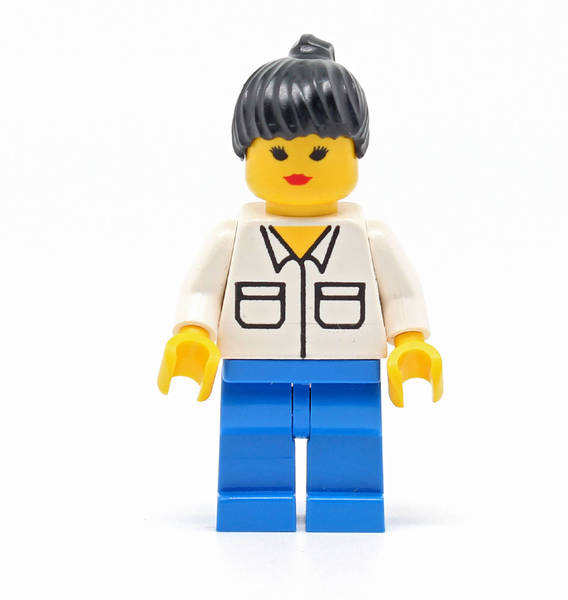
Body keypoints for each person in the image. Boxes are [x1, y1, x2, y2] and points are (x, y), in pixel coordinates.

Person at [158, 34, 443, 532]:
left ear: (354, 152)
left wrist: (410, 342)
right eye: (276, 151)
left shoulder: (368, 237)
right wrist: (193, 334)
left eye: (318, 153)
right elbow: (201, 291)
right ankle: (252, 503)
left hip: (349, 370)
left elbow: (401, 294)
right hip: (253, 369)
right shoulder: (234, 236)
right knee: (252, 444)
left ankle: (349, 504)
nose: (296, 167)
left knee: (349, 445)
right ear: (247, 153)